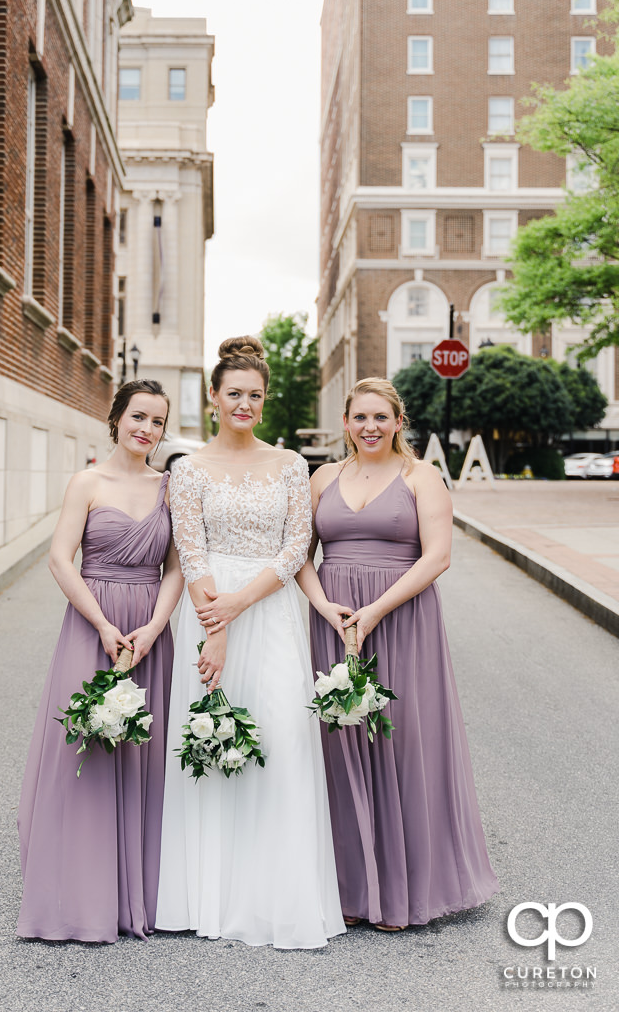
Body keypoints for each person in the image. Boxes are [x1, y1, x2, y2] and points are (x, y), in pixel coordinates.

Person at [155, 337, 344, 950]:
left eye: (254, 396)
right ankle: (207, 896)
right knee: (211, 738)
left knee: (280, 738)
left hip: (270, 613)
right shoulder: (186, 469)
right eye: (233, 393)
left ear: (265, 402)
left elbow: (296, 550)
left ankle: (277, 897)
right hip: (207, 615)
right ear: (213, 398)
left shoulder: (291, 465)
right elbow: (192, 547)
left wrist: (237, 606)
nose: (244, 404)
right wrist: (217, 628)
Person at [297, 377, 499, 930]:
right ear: (345, 423)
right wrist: (325, 608)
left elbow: (437, 557)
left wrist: (377, 610)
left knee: (404, 740)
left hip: (402, 619)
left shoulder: (421, 477)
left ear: (398, 422)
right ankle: (351, 888)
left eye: (380, 418)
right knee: (340, 743)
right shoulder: (322, 479)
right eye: (360, 417)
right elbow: (298, 555)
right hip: (336, 623)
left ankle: (405, 888)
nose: (370, 428)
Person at [16, 380, 183, 943]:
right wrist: (104, 626)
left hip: (148, 629)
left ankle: (143, 891)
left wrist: (155, 628)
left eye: (158, 422)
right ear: (115, 418)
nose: (147, 429)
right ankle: (79, 894)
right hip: (95, 627)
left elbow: (177, 568)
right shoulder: (86, 482)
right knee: (85, 749)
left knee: (144, 755)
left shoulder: (171, 488)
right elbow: (61, 560)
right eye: (139, 416)